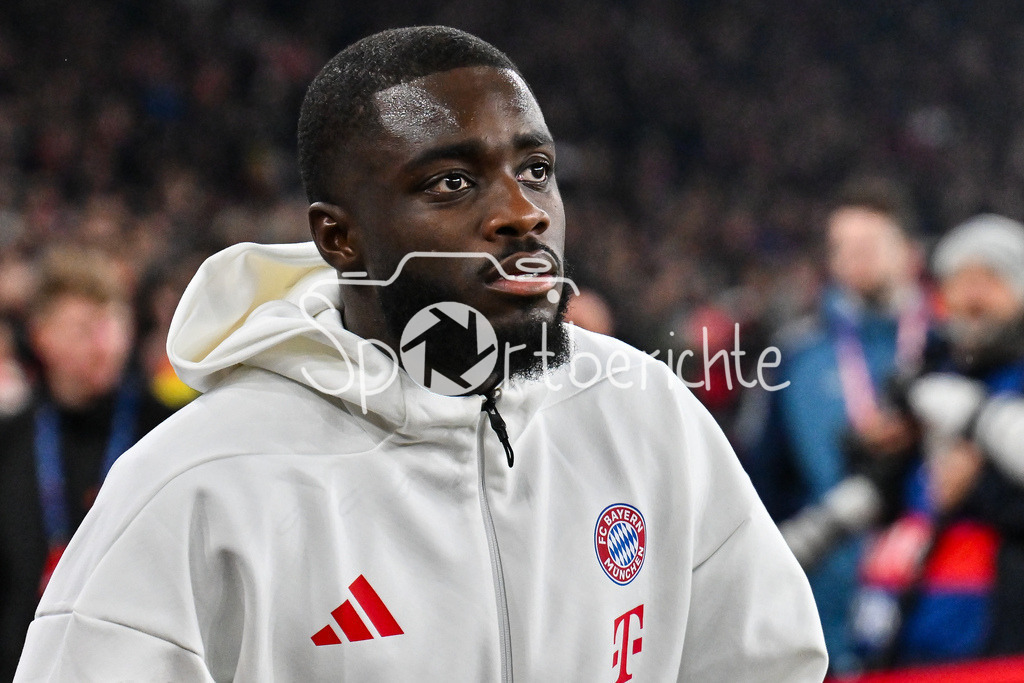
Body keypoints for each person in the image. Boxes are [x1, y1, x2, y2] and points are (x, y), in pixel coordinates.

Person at [16, 27, 827, 681]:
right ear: (340, 236)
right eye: (451, 183)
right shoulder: (197, 484)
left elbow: (769, 662)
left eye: (537, 169)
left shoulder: (645, 412)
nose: (524, 213)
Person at [743, 177, 928, 672]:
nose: (854, 258)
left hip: (930, 612)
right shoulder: (796, 356)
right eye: (842, 247)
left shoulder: (945, 347)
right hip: (825, 612)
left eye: (869, 245)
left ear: (909, 252)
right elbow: (760, 486)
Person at [850, 214, 1024, 666]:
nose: (971, 296)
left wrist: (980, 486)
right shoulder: (921, 376)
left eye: (988, 279)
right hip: (906, 627)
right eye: (959, 280)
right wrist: (874, 453)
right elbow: (885, 498)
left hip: (1002, 640)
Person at [0, 248, 172, 678]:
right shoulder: (10, 441)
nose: (104, 344)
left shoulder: (167, 432)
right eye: (83, 328)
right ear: (42, 335)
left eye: (113, 324)